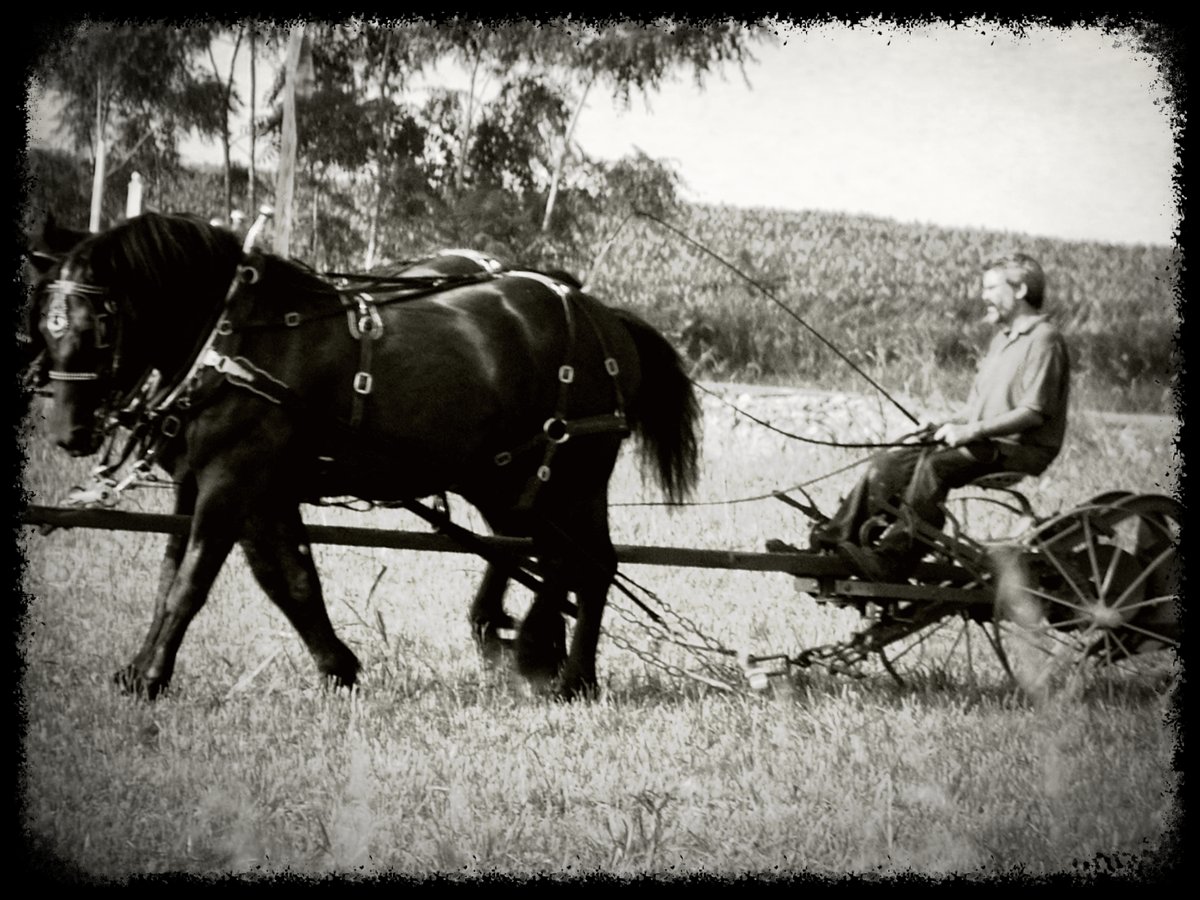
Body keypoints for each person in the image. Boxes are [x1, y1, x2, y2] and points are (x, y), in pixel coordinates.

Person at [792, 252, 1070, 581]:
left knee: (936, 466)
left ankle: (896, 557)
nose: (983, 296)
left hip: (1018, 449)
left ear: (1021, 290)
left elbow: (1033, 412)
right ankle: (833, 543)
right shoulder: (1002, 341)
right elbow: (977, 409)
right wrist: (943, 425)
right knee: (890, 463)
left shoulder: (1044, 340)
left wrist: (970, 432)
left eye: (992, 288)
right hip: (986, 441)